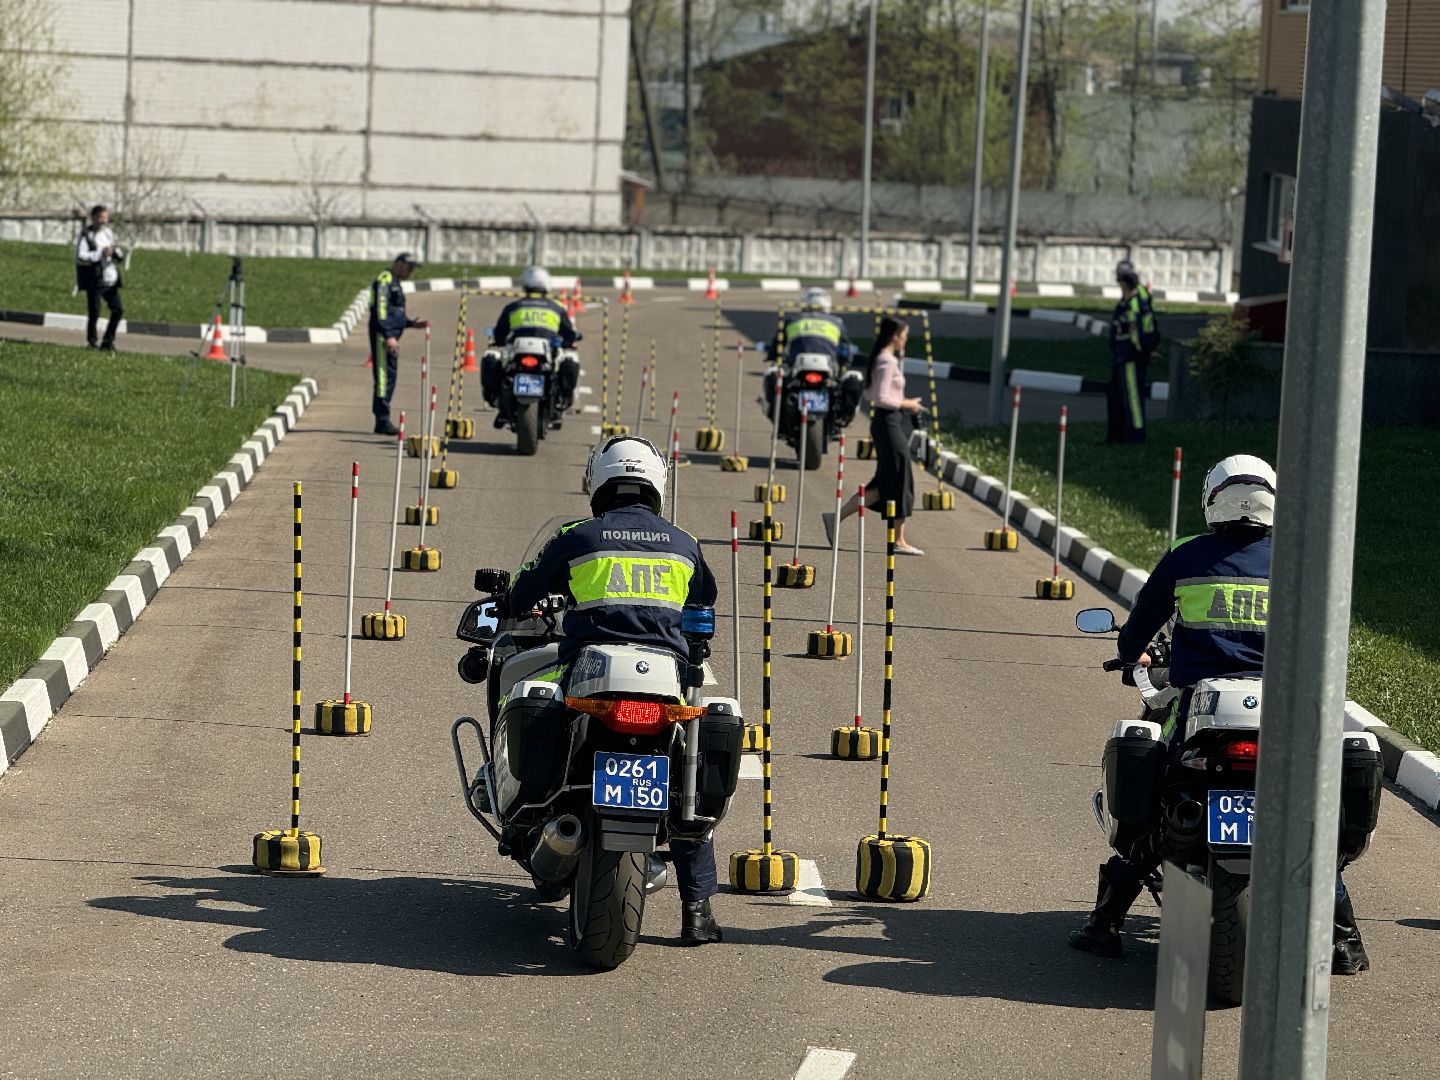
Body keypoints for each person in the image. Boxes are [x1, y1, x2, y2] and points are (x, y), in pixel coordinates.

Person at [1068, 455, 1369, 975]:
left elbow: (1136, 630)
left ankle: (1106, 923)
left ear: (1212, 500)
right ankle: (1343, 941)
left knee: (1158, 785)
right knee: (1312, 813)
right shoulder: (1299, 559)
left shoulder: (1188, 554)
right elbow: (1328, 638)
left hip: (1197, 705)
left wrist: (1133, 652)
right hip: (1284, 714)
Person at [502, 435, 724, 946]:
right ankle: (697, 910)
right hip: (662, 679)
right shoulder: (683, 541)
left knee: (545, 709)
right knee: (683, 779)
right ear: (656, 484)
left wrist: (518, 597)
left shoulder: (579, 535)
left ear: (598, 482)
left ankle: (532, 818)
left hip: (591, 670)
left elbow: (524, 589)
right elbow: (704, 601)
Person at [819, 316, 925, 555]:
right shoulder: (886, 361)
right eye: (904, 335)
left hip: (887, 422)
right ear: (895, 336)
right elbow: (879, 397)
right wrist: (908, 404)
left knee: (884, 482)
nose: (905, 339)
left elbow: (871, 392)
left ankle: (836, 518)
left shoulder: (882, 359)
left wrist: (904, 404)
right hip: (889, 423)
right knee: (900, 476)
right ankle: (899, 540)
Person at [482, 266, 581, 429]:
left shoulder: (514, 307)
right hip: (545, 353)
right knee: (567, 364)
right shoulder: (556, 308)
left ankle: (499, 403)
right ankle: (560, 402)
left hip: (519, 351)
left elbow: (500, 332)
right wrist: (570, 341)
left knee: (494, 361)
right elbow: (568, 334)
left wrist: (498, 340)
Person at [764, 287, 862, 422]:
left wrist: (772, 355)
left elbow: (779, 343)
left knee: (778, 379)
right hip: (827, 366)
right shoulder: (837, 322)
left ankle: (779, 415)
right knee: (842, 384)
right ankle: (841, 416)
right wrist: (845, 363)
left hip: (799, 365)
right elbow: (845, 348)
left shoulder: (793, 320)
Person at [369, 253, 428, 436]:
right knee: (383, 378)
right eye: (409, 267)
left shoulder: (394, 281)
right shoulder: (385, 280)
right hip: (382, 337)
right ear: (398, 264)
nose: (410, 271)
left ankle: (383, 419)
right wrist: (388, 336)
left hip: (390, 336)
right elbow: (380, 310)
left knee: (389, 379)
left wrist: (410, 323)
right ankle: (382, 420)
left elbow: (395, 313)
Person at [1105, 261, 1159, 445]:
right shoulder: (1126, 301)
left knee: (1133, 398)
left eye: (1119, 280)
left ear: (1125, 282)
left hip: (1131, 357)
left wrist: (1145, 351)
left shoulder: (1135, 304)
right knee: (1116, 395)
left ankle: (1136, 434)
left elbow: (1141, 333)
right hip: (1122, 355)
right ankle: (1116, 434)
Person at [75, 205, 124, 351]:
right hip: (95, 278)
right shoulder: (86, 235)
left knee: (118, 310)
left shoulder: (108, 233)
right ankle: (92, 342)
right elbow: (80, 256)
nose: (103, 221)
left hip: (110, 278)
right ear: (93, 217)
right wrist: (100, 254)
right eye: (100, 218)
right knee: (94, 312)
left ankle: (108, 341)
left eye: (105, 218)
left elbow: (118, 252)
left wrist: (114, 253)